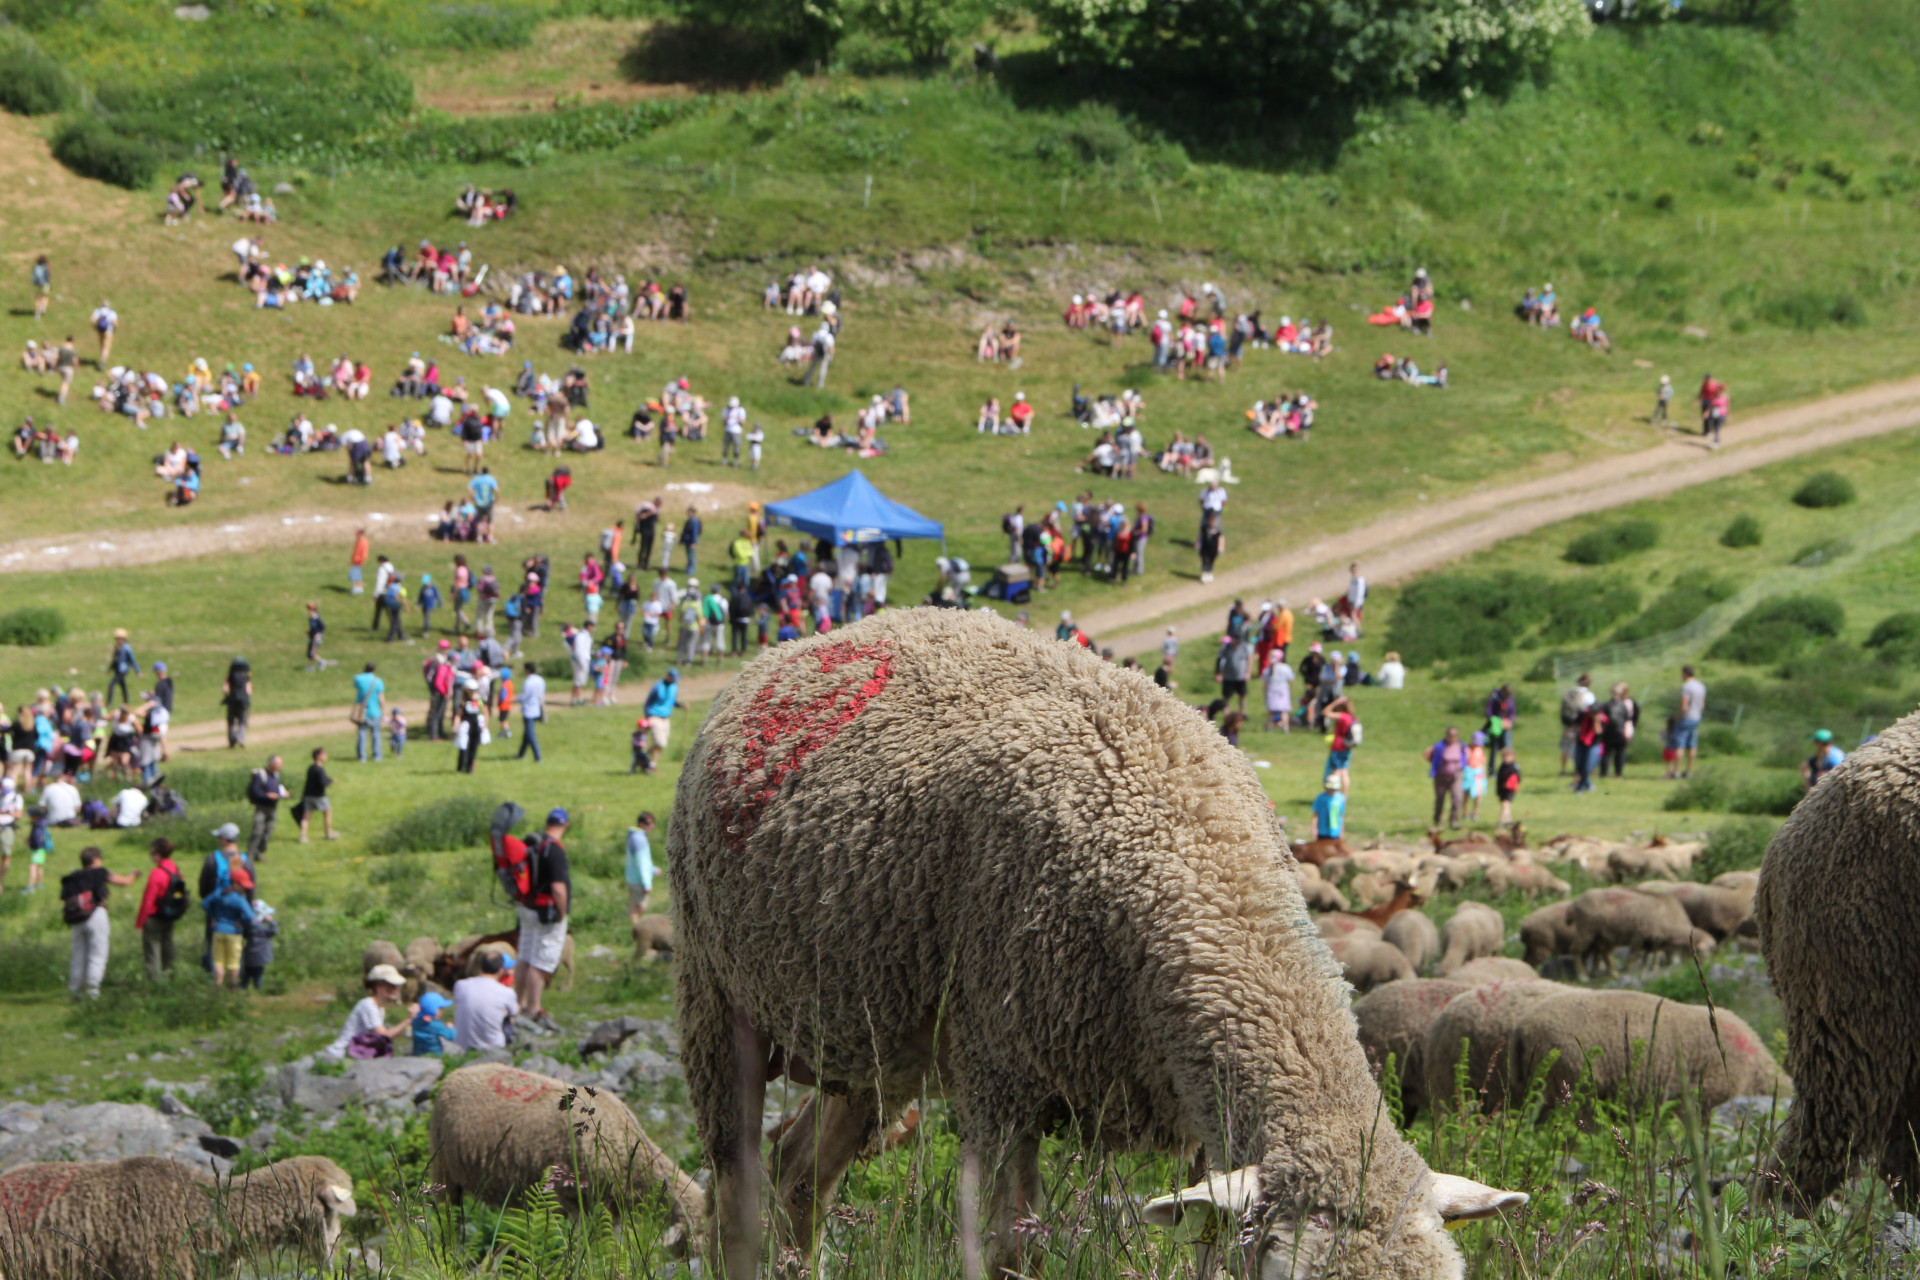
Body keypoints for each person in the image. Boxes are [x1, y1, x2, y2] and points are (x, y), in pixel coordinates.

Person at [514, 809, 572, 1032]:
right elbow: (558, 888)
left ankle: (517, 1004)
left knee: (525, 955)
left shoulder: (533, 844)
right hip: (547, 912)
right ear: (565, 825)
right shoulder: (554, 850)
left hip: (527, 908)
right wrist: (562, 912)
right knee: (542, 960)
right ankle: (534, 1007)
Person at [63, 846, 135, 998]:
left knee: (78, 954)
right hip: (96, 914)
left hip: (76, 918)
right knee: (97, 953)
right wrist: (133, 876)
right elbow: (124, 882)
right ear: (95, 860)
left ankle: (75, 990)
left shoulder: (72, 877)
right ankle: (92, 990)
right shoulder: (100, 872)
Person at [323, 963, 415, 1059]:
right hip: (343, 1053)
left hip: (357, 1051)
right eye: (391, 985)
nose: (396, 989)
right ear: (378, 987)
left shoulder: (379, 1008)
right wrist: (409, 1019)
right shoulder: (368, 1005)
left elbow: (385, 1034)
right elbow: (384, 1035)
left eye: (397, 985)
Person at [134, 836, 185, 979]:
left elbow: (148, 900)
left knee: (153, 950)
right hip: (170, 914)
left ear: (157, 854)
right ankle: (171, 975)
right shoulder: (176, 870)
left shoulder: (157, 873)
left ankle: (154, 981)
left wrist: (140, 922)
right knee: (168, 947)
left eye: (152, 852)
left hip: (154, 917)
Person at [453, 950, 518, 1049]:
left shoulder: (460, 985)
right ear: (500, 970)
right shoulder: (507, 992)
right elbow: (514, 1011)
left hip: (461, 1045)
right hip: (493, 1047)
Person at [204, 873, 254, 988]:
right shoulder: (239, 899)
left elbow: (205, 903)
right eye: (242, 885)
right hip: (234, 933)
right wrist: (241, 921)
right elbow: (250, 916)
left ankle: (217, 985)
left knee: (218, 961)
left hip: (218, 931)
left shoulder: (219, 893)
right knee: (233, 962)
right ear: (235, 884)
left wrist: (213, 916)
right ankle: (233, 987)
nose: (244, 888)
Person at [246, 754, 290, 860]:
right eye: (279, 764)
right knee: (257, 831)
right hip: (261, 808)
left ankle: (259, 852)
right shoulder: (260, 775)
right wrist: (267, 795)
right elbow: (256, 792)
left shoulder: (275, 775)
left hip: (272, 808)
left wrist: (282, 793)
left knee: (268, 832)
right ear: (271, 764)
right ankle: (249, 856)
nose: (281, 767)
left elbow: (276, 788)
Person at [1425, 726, 1467, 830]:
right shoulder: (1439, 746)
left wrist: (1461, 767)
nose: (1452, 737)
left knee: (1457, 798)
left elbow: (1465, 758)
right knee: (1440, 799)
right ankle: (1438, 820)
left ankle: (1454, 820)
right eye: (1450, 735)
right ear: (1446, 736)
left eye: (1454, 735)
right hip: (1441, 776)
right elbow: (1429, 755)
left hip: (1456, 776)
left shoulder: (1461, 746)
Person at [296, 747, 336, 842]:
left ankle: (303, 835)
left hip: (308, 795)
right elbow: (323, 783)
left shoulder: (311, 768)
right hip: (319, 796)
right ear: (318, 756)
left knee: (306, 817)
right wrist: (331, 780)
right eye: (324, 754)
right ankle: (328, 833)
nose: (326, 756)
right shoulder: (319, 770)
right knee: (327, 812)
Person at [1558, 673, 1594, 775]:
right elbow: (1591, 709)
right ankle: (1577, 771)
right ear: (1587, 683)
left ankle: (1563, 770)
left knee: (1566, 748)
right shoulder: (1588, 694)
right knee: (1578, 748)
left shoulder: (1569, 692)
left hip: (1568, 723)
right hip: (1581, 725)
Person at [1599, 682, 1638, 778]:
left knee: (1606, 753)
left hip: (1608, 732)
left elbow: (1602, 718)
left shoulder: (1606, 705)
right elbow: (1627, 719)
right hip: (1620, 732)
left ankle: (1604, 773)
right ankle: (1618, 773)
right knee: (1620, 753)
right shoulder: (1623, 705)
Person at [625, 811, 656, 928]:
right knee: (639, 907)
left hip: (632, 877)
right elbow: (641, 863)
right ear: (640, 824)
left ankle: (637, 927)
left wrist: (652, 869)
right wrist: (647, 884)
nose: (651, 827)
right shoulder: (639, 840)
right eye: (648, 824)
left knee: (636, 904)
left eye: (652, 823)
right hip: (638, 879)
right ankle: (638, 928)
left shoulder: (634, 837)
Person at [1675, 665, 1706, 778]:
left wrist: (1678, 717)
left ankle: (1677, 771)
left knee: (1680, 745)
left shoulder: (1687, 686)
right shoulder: (1701, 686)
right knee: (1692, 745)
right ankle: (1689, 771)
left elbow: (1684, 706)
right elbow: (1702, 705)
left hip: (1686, 718)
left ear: (1685, 674)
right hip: (1696, 717)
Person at [240, 900, 276, 989]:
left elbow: (243, 935)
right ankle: (258, 987)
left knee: (247, 972)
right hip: (261, 956)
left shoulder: (249, 927)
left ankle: (244, 985)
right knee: (258, 973)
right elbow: (274, 931)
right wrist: (272, 922)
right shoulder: (263, 928)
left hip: (249, 954)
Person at [353, 662, 385, 763]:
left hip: (362, 711)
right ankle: (377, 755)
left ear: (364, 668)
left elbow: (357, 687)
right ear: (374, 670)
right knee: (376, 734)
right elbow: (381, 698)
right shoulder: (378, 681)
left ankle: (362, 757)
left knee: (362, 734)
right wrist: (383, 711)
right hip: (375, 711)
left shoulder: (358, 678)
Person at [516, 661, 547, 762]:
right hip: (537, 709)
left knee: (530, 734)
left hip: (528, 711)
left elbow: (523, 697)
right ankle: (521, 754)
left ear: (527, 670)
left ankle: (537, 757)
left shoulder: (528, 682)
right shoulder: (540, 680)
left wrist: (512, 700)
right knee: (527, 734)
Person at [222, 656, 252, 749]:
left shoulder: (231, 676)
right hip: (242, 701)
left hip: (232, 700)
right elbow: (249, 690)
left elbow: (225, 689)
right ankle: (240, 738)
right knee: (242, 721)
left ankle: (232, 741)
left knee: (231, 722)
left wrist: (226, 696)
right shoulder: (246, 677)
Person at [106, 629, 139, 705]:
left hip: (122, 670)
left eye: (119, 638)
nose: (117, 640)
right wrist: (110, 669)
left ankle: (108, 702)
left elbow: (132, 660)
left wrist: (138, 671)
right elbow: (114, 659)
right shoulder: (117, 647)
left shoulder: (127, 648)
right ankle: (126, 702)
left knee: (111, 684)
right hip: (117, 669)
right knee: (123, 686)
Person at [1463, 731, 1488, 823]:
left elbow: (1482, 762)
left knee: (1478, 794)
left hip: (1478, 772)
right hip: (1468, 772)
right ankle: (1464, 812)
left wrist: (1484, 775)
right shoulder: (1466, 749)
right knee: (1466, 793)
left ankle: (1475, 812)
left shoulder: (1480, 750)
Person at [1312, 776, 1346, 841]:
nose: (1331, 791)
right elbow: (1315, 815)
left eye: (1334, 789)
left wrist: (1341, 831)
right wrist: (1314, 828)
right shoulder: (1321, 798)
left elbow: (1341, 816)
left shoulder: (1341, 798)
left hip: (1335, 832)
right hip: (1322, 831)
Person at [1495, 747, 1521, 828]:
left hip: (1509, 790)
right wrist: (1498, 791)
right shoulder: (1502, 767)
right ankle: (1509, 822)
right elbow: (1499, 780)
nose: (1506, 759)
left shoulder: (1513, 767)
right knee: (1505, 806)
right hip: (1502, 790)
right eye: (1505, 757)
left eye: (1508, 757)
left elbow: (1518, 778)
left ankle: (1502, 821)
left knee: (1505, 805)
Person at [349, 528, 370, 595]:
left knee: (354, 574)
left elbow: (364, 552)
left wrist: (362, 560)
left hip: (359, 561)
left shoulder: (363, 541)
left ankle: (357, 588)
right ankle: (358, 588)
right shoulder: (359, 540)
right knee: (356, 574)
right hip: (356, 560)